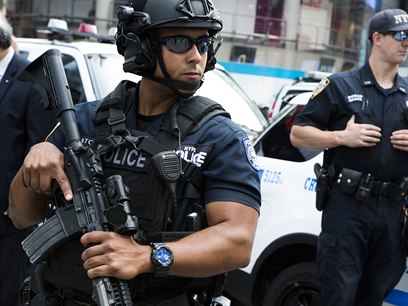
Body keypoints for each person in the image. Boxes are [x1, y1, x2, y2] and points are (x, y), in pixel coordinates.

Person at [7, 0, 261, 305]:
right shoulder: (85, 121)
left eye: (205, 42)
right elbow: (21, 215)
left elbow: (238, 242)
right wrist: (35, 162)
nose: (197, 57)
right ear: (143, 46)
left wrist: (147, 256)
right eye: (180, 42)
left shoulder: (220, 138)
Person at [290, 8, 408, 306]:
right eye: (400, 35)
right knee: (339, 295)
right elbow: (299, 134)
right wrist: (341, 137)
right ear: (377, 38)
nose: (407, 43)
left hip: (393, 211)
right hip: (348, 209)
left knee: (373, 296)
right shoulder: (339, 85)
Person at [0, 12, 56, 306]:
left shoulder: (30, 79)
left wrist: (18, 206)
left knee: (8, 293)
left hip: (10, 217)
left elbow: (41, 147)